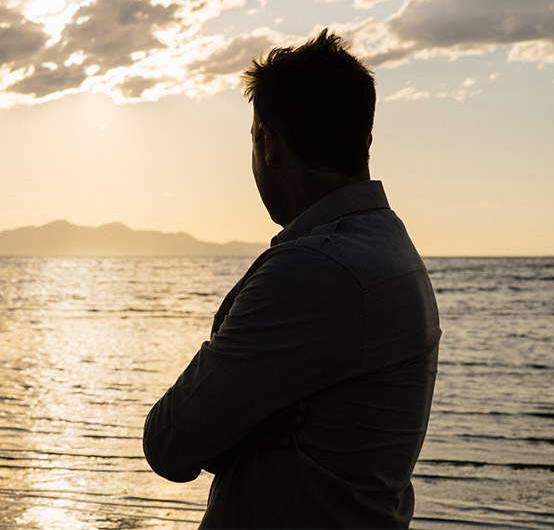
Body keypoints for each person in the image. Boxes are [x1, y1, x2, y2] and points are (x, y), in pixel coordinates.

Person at [143, 30, 441, 529]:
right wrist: (245, 423)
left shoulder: (313, 268)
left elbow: (169, 442)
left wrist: (234, 423)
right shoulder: (394, 251)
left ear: (270, 143)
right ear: (365, 141)